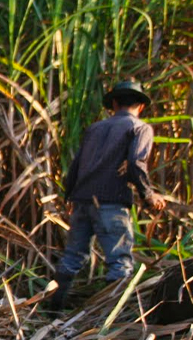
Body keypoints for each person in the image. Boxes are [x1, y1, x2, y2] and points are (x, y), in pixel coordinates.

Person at [48, 81, 166, 311]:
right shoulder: (140, 128)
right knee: (120, 262)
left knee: (71, 259)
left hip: (82, 200)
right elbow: (135, 163)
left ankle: (52, 311)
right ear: (141, 106)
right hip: (111, 202)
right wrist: (149, 196)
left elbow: (76, 165)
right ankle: (111, 319)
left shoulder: (95, 129)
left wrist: (69, 196)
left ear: (113, 103)